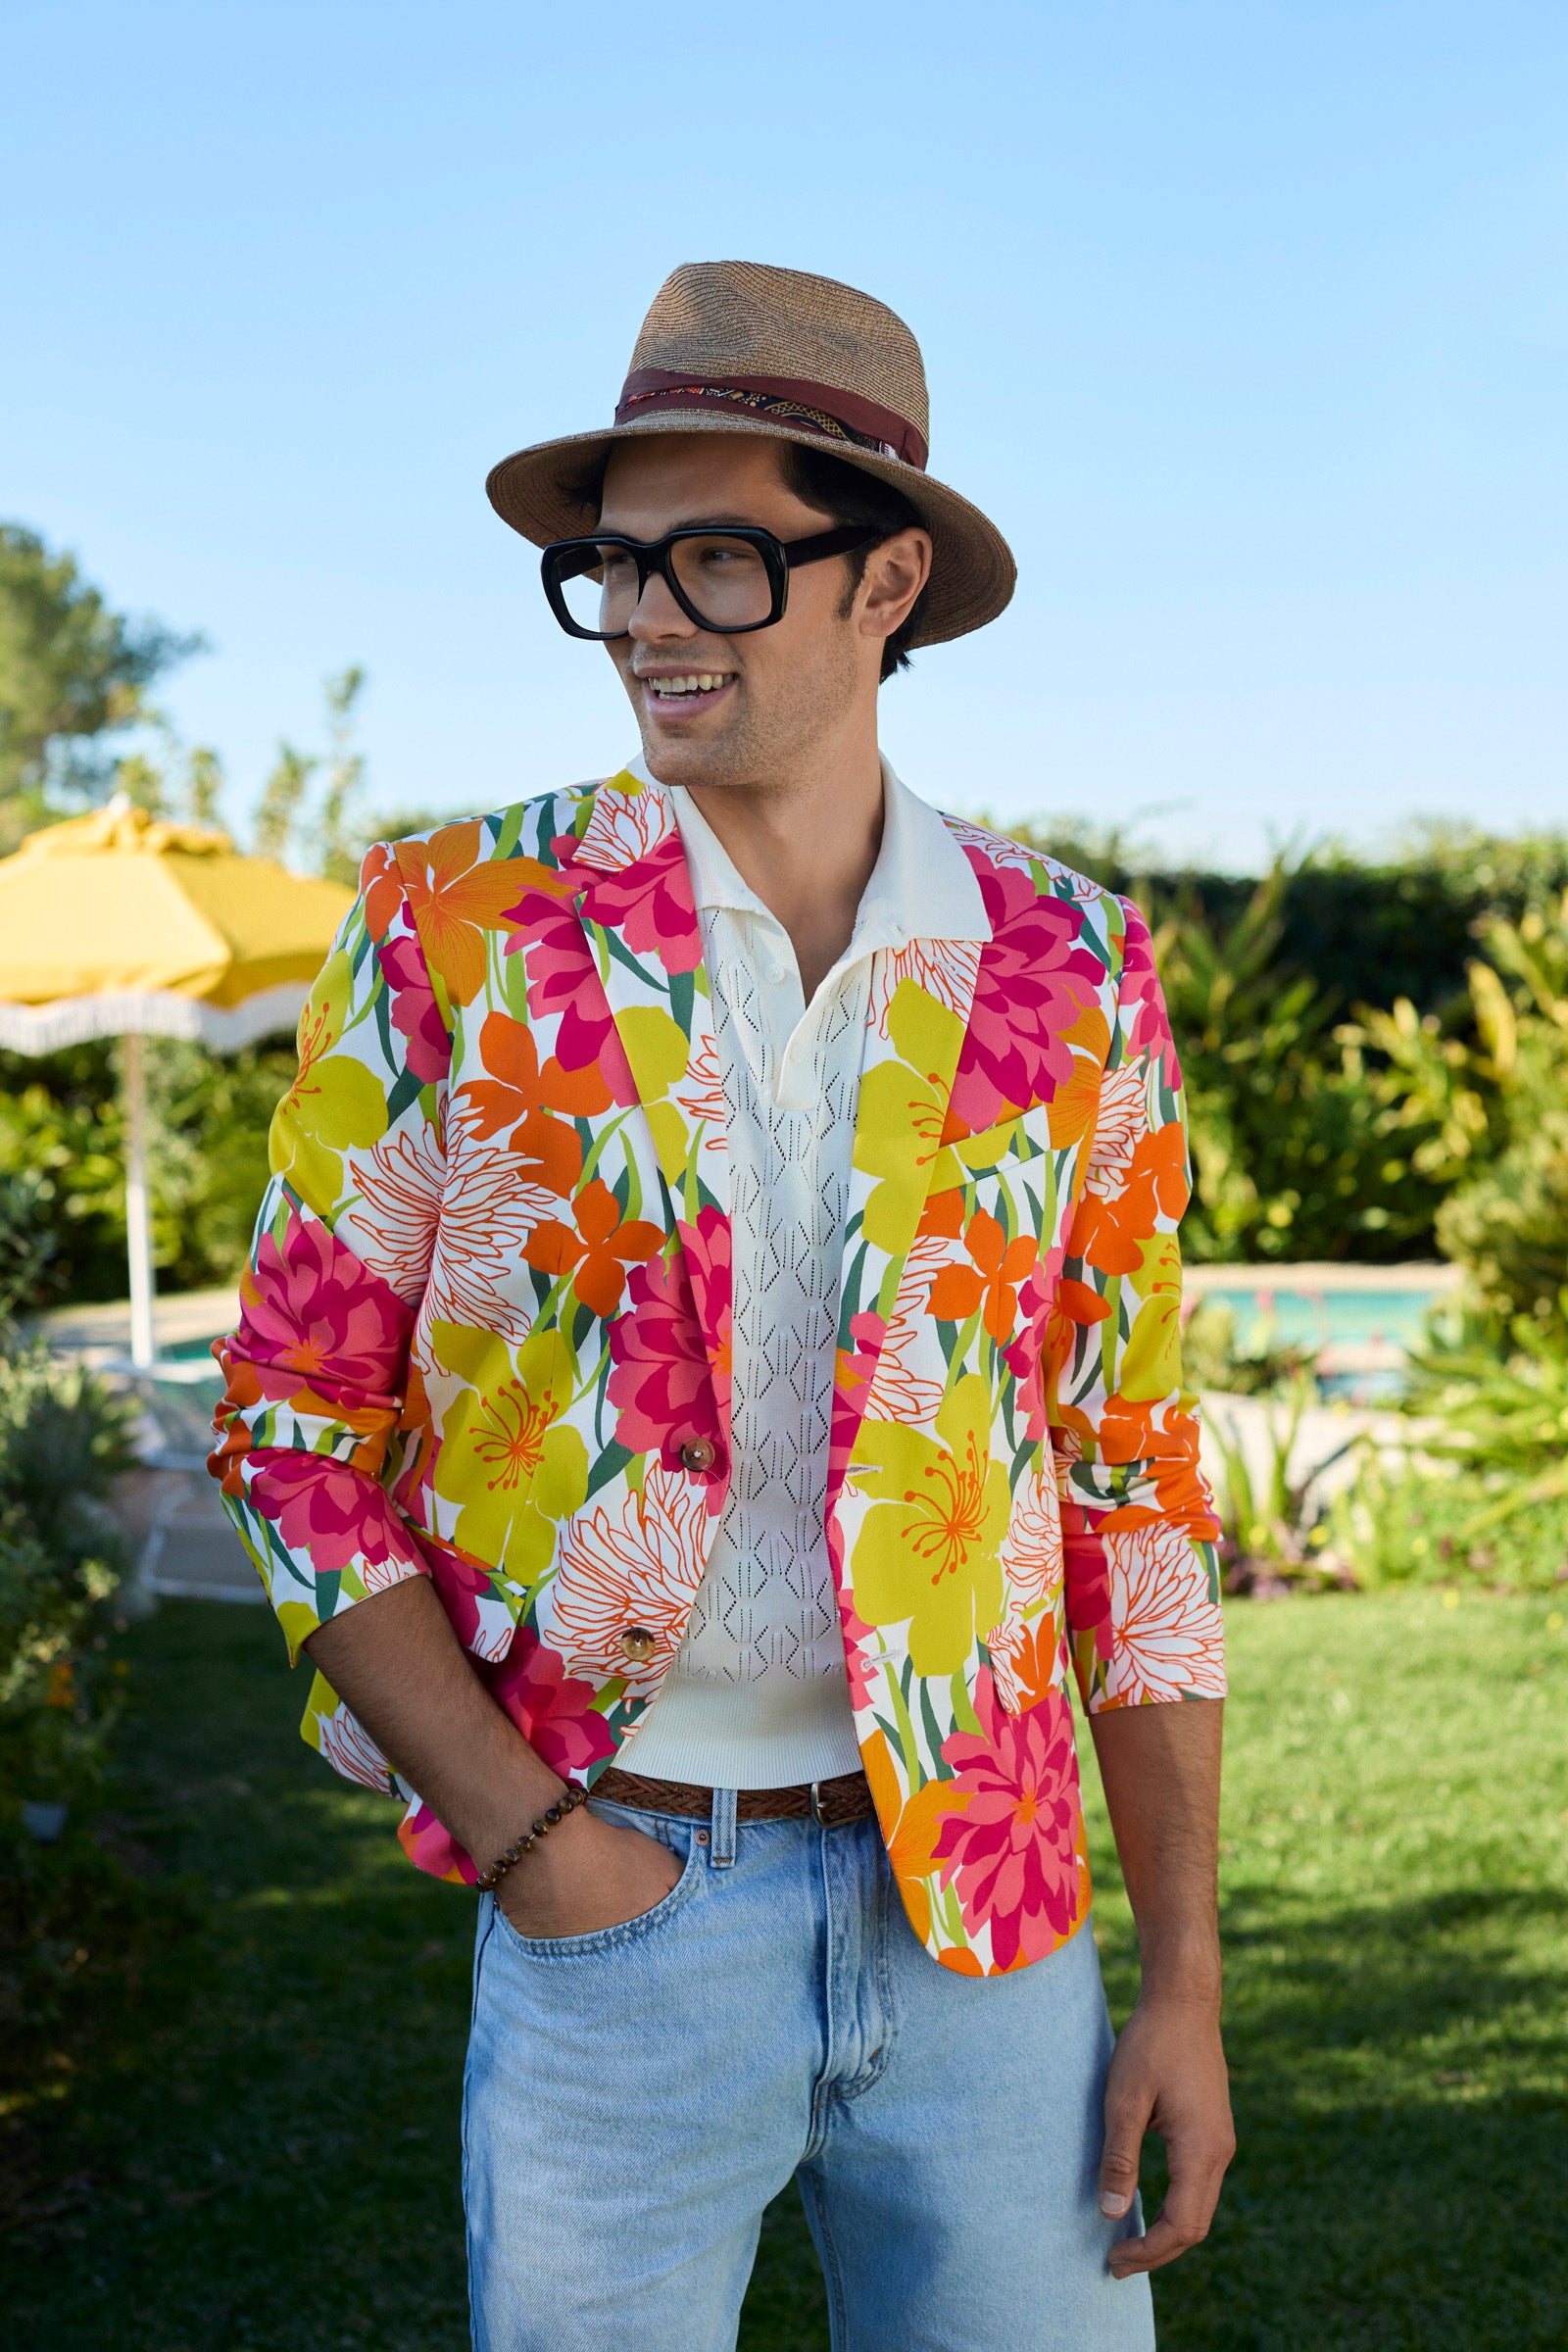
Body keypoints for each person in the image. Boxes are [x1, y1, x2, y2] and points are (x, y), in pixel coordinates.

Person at [211, 260, 1235, 2351]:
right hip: (617, 1910)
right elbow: (292, 1422)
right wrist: (526, 1842)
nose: (650, 616)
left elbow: (1130, 1487)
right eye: (611, 565)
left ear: (888, 586)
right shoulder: (456, 925)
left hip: (983, 1924)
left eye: (718, 559)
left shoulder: (1073, 967)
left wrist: (1188, 1991)